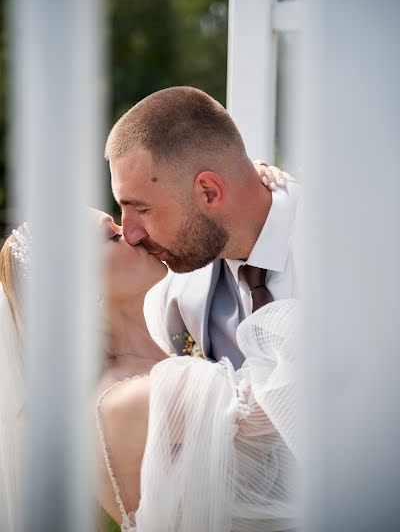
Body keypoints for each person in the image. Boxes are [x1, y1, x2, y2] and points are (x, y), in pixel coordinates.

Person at [0, 208, 298, 531]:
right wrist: (282, 217)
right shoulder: (124, 401)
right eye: (112, 235)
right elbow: (285, 399)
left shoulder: (160, 347)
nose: (132, 234)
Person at [105, 86, 301, 369]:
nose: (130, 234)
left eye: (143, 209)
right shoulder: (170, 291)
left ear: (209, 192)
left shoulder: (349, 249)